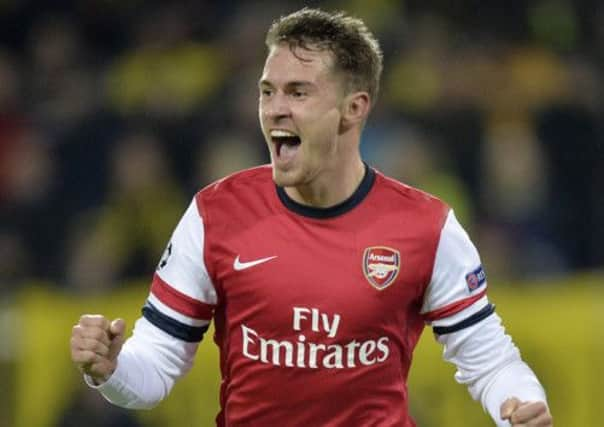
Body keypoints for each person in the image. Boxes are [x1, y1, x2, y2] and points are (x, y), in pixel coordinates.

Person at [70, 8, 553, 427]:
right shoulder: (215, 215)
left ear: (353, 109)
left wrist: (523, 404)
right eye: (267, 91)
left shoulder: (426, 228)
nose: (275, 110)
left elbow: (490, 363)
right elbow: (154, 368)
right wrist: (111, 371)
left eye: (298, 93)